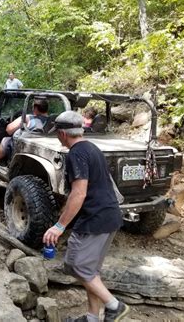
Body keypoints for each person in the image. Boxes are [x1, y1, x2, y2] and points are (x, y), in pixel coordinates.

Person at [43, 110, 128, 322]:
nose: (57, 136)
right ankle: (92, 318)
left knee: (76, 265)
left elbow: (79, 193)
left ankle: (114, 306)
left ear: (63, 134)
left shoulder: (76, 154)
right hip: (110, 216)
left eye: (57, 133)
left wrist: (59, 226)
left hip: (95, 219)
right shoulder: (92, 148)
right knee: (90, 271)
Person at [0, 98, 48, 162]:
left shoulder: (28, 118)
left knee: (5, 140)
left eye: (33, 107)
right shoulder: (52, 120)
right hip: (42, 145)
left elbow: (8, 130)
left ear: (35, 108)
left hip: (24, 147)